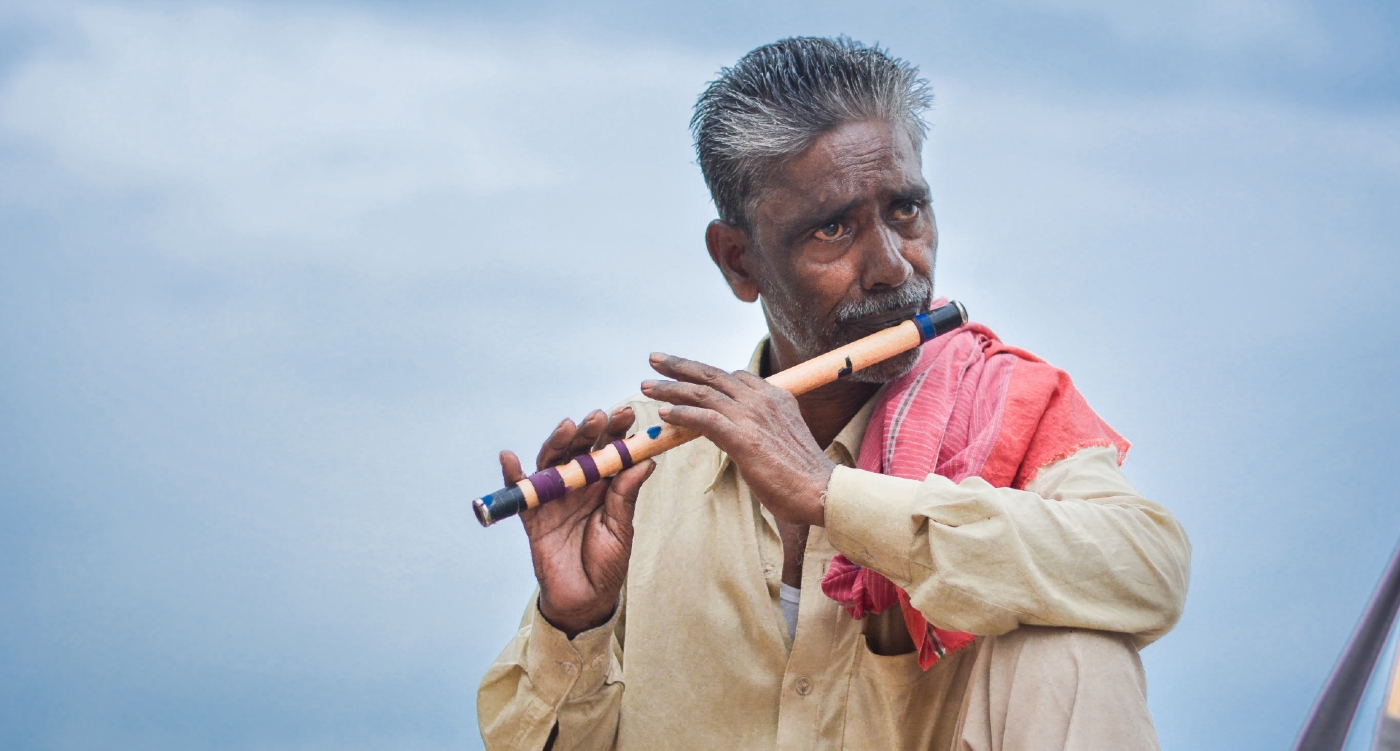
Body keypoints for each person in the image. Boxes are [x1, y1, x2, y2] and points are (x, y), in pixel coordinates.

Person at [477, 36, 1190, 751]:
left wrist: (833, 497)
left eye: (906, 211)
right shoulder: (649, 473)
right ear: (739, 259)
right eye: (834, 227)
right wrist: (575, 622)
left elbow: (1148, 568)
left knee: (1073, 642)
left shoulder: (1001, 409)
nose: (892, 267)